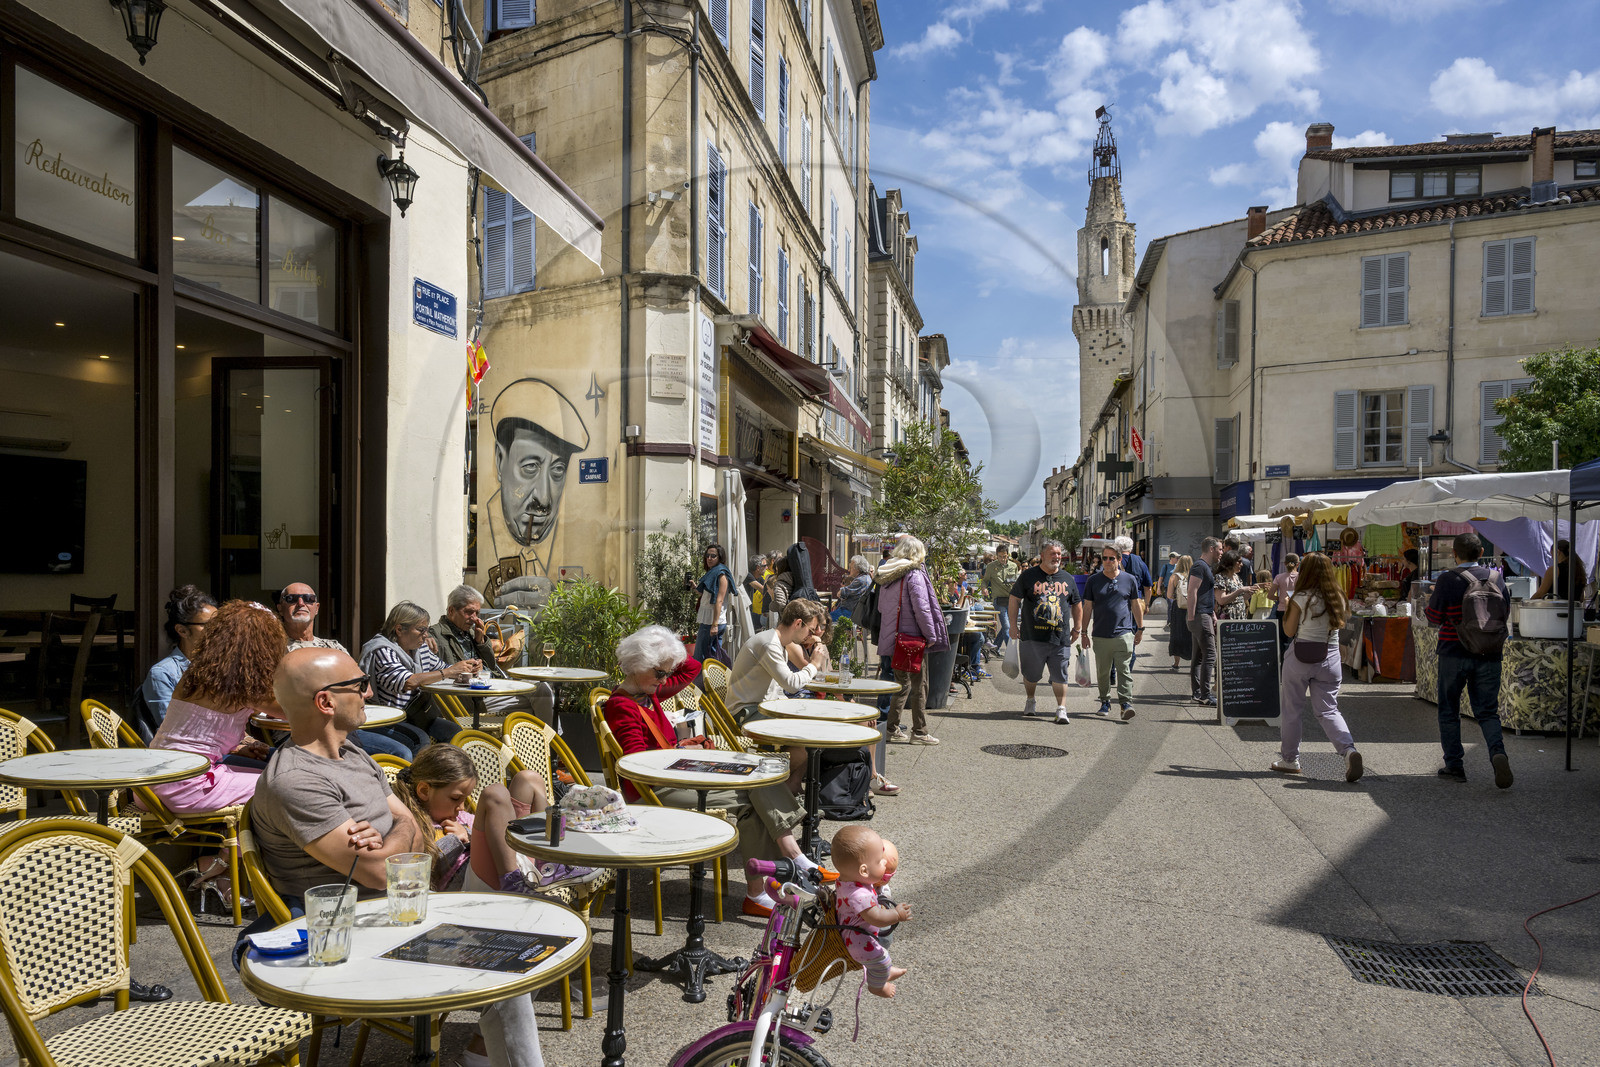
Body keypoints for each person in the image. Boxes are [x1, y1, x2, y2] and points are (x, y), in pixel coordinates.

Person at [255, 647, 558, 1067]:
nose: (369, 692)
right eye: (359, 686)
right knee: (510, 946)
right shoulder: (297, 781)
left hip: (407, 903)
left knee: (531, 926)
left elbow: (410, 827)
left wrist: (389, 838)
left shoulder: (353, 753)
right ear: (325, 702)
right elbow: (381, 871)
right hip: (356, 928)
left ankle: (483, 1054)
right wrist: (397, 839)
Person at [605, 625, 821, 916]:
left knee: (756, 775)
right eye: (659, 673)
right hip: (654, 789)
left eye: (666, 673)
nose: (665, 680)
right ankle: (781, 871)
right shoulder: (623, 705)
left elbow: (690, 666)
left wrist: (666, 653)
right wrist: (680, 752)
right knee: (751, 802)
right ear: (636, 666)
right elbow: (635, 763)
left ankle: (778, 874)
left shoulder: (648, 689)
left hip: (677, 774)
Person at [145, 599, 281, 904]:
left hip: (157, 779)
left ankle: (223, 874)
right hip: (187, 782)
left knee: (272, 774)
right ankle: (220, 865)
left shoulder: (198, 675)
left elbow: (201, 728)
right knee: (283, 785)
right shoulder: (247, 685)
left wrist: (240, 743)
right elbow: (299, 710)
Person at [388, 742, 601, 895]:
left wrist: (468, 830)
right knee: (495, 794)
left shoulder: (457, 814)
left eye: (464, 798)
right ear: (424, 791)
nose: (461, 806)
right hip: (465, 886)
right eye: (455, 798)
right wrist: (462, 838)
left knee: (529, 779)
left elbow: (490, 832)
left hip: (495, 865)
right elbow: (425, 868)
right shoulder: (411, 821)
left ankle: (549, 859)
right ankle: (513, 885)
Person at [277, 581, 431, 759]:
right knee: (398, 751)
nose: (301, 603)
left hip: (344, 726)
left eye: (309, 599)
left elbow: (366, 689)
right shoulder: (274, 649)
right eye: (292, 599)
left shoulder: (332, 646)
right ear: (281, 608)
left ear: (317, 608)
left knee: (415, 742)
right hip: (299, 730)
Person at [481, 377, 589, 609]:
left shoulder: (576, 535)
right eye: (530, 467)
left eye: (558, 470)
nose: (544, 497)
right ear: (500, 461)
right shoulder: (482, 534)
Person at [1426, 532, 1514, 788]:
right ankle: (1498, 752)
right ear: (1480, 553)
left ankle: (1455, 766)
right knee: (1487, 712)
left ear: (1455, 554)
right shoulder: (1498, 578)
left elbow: (1434, 616)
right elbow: (1505, 612)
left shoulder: (1447, 579)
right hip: (1490, 652)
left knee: (1449, 710)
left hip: (1454, 652)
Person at [1274, 553, 1363, 781]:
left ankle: (1290, 759)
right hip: (1330, 656)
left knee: (1292, 709)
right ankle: (1348, 750)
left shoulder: (1301, 597)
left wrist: (1286, 607)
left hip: (1301, 655)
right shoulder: (1338, 597)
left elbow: (1289, 632)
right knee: (1328, 710)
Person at [428, 585, 555, 724]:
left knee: (542, 689)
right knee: (536, 705)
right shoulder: (433, 636)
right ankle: (548, 741)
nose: (474, 618)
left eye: (477, 613)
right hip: (473, 698)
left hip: (491, 687)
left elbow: (492, 666)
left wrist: (481, 641)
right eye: (469, 612)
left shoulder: (472, 633)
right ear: (451, 610)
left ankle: (550, 740)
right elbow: (432, 673)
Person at [360, 601, 471, 743]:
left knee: (454, 731)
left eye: (427, 630)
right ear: (399, 629)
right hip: (389, 718)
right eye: (421, 630)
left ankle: (444, 765)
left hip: (416, 713)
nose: (426, 635)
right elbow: (408, 682)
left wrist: (467, 668)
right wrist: (448, 671)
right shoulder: (382, 650)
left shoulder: (420, 648)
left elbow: (442, 668)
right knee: (420, 739)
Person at [876, 536, 948, 744]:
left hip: (894, 637)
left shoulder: (887, 572)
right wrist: (931, 635)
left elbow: (881, 608)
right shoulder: (914, 574)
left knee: (901, 685)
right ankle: (920, 731)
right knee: (919, 685)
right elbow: (922, 609)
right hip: (913, 638)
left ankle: (891, 728)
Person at [831, 824, 912, 999]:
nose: (884, 862)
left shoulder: (847, 880)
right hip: (858, 940)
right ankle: (877, 985)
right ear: (864, 871)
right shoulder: (859, 895)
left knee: (881, 960)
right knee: (882, 959)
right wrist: (897, 915)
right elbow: (877, 918)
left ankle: (884, 972)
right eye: (879, 861)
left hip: (853, 933)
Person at [1009, 538, 1084, 724]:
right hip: (1032, 637)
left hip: (1060, 637)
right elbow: (1014, 599)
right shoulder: (1028, 576)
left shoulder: (1067, 578)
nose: (1057, 557)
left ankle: (1061, 709)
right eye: (1053, 553)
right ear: (1042, 555)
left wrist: (1078, 628)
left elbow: (1077, 604)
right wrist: (1012, 625)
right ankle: (1030, 700)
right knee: (1031, 675)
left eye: (1059, 554)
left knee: (1061, 674)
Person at [140, 585, 217, 731]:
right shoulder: (163, 674)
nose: (218, 630)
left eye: (221, 624)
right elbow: (174, 729)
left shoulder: (218, 667)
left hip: (224, 745)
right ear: (182, 630)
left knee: (271, 753)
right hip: (192, 751)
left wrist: (247, 741)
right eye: (209, 625)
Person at [1082, 545, 1143, 720]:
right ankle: (1105, 701)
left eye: (1111, 558)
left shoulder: (1129, 579)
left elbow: (1135, 604)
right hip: (1100, 634)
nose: (1108, 562)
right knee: (1103, 671)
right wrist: (1083, 633)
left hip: (1123, 632)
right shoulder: (1093, 580)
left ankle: (1125, 704)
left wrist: (1140, 628)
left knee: (1124, 669)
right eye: (1105, 558)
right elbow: (1087, 607)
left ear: (1119, 560)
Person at [1187, 537, 1222, 706]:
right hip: (1200, 616)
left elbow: (1203, 593)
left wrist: (1212, 613)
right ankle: (1205, 695)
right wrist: (1192, 616)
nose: (1222, 553)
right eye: (1220, 549)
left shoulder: (1205, 567)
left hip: (1204, 614)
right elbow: (1192, 590)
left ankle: (1197, 693)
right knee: (1210, 655)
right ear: (1211, 549)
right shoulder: (1200, 566)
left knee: (1199, 657)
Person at [694, 544, 734, 664]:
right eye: (707, 555)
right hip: (711, 621)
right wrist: (694, 587)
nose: (709, 558)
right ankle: (712, 681)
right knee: (711, 657)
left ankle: (700, 681)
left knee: (700, 656)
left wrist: (715, 624)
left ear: (720, 557)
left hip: (712, 622)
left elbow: (719, 600)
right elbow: (707, 595)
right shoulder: (713, 572)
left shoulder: (721, 574)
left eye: (713, 556)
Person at [982, 547, 1020, 650]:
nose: (1002, 559)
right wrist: (984, 588)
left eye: (1004, 556)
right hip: (999, 600)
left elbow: (1016, 581)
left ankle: (995, 646)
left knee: (1006, 626)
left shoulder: (1014, 566)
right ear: (996, 556)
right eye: (1000, 557)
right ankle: (1011, 651)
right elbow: (985, 580)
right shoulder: (990, 567)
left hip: (1012, 599)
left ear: (1008, 555)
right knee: (1007, 626)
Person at [1533, 539, 1588, 603]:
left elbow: (1540, 594)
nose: (1552, 558)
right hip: (1575, 610)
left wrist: (1527, 603)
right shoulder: (1579, 570)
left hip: (1557, 609)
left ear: (1557, 552)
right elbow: (1581, 598)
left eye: (1552, 554)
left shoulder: (1554, 570)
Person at [1167, 555, 1193, 669]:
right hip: (1192, 608)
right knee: (1192, 634)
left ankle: (1176, 663)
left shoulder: (1174, 576)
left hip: (1178, 608)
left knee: (1177, 633)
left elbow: (1169, 595)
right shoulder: (1194, 576)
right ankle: (1194, 661)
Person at [1213, 550, 1253, 623]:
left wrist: (1251, 591)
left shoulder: (1236, 577)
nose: (1241, 564)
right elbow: (1221, 600)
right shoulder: (1220, 577)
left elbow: (1240, 598)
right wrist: (1240, 590)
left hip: (1240, 617)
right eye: (1239, 562)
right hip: (1228, 618)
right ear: (1231, 562)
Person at [834, 555, 874, 623]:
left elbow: (840, 593)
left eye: (851, 568)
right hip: (856, 612)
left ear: (857, 569)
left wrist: (843, 589)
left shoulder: (860, 580)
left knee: (825, 620)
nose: (849, 570)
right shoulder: (866, 578)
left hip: (850, 612)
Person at [744, 553, 769, 630]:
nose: (767, 568)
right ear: (758, 568)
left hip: (748, 610)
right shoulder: (747, 575)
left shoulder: (759, 577)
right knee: (764, 621)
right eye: (765, 566)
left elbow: (767, 590)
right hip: (742, 611)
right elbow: (763, 590)